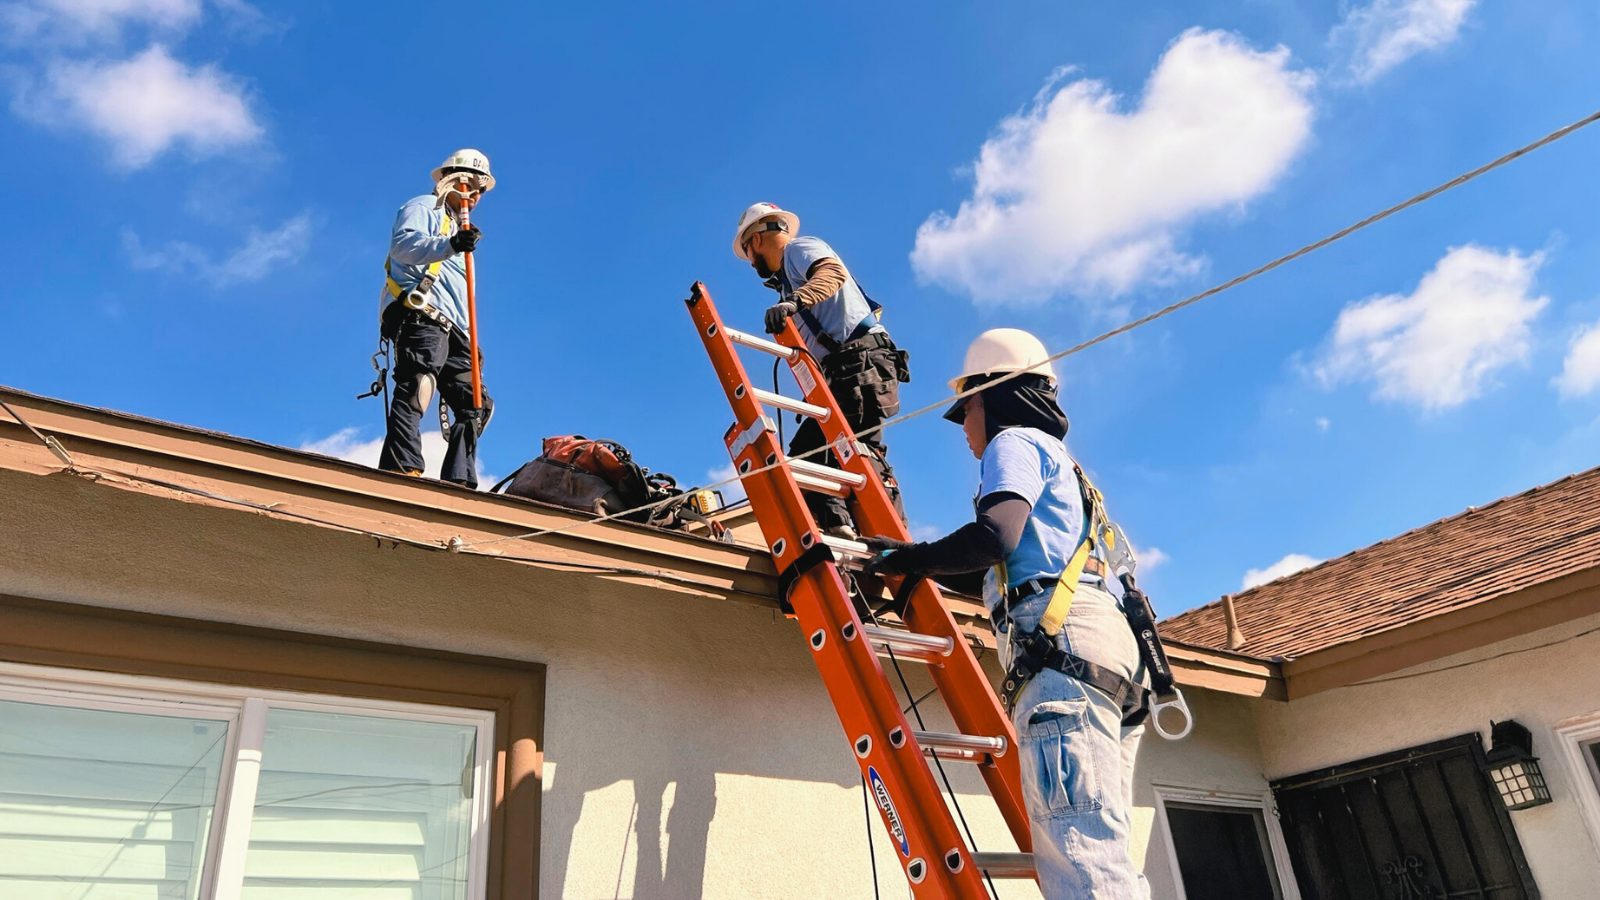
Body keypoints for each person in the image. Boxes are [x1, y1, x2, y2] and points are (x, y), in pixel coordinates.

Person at [862, 329, 1151, 899]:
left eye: (965, 408)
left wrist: (909, 557)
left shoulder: (1013, 443)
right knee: (1102, 851)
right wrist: (917, 566)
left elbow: (994, 536)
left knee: (1079, 856)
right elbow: (1007, 558)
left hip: (1060, 647)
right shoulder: (1067, 467)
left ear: (993, 395)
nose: (965, 428)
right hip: (1108, 653)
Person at [732, 202, 909, 538]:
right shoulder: (787, 281)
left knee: (812, 454)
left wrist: (793, 302)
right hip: (850, 366)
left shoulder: (799, 249)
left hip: (858, 361)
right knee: (854, 451)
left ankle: (842, 526)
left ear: (755, 241)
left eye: (747, 249)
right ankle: (864, 527)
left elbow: (831, 274)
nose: (750, 259)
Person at [376, 149, 496, 488]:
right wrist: (451, 244)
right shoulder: (425, 208)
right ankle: (402, 465)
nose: (474, 194)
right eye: (470, 184)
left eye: (480, 189)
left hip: (456, 328)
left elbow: (460, 296)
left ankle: (460, 479)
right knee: (419, 382)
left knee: (476, 404)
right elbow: (404, 246)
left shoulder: (460, 231)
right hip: (421, 311)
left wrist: (471, 342)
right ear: (451, 179)